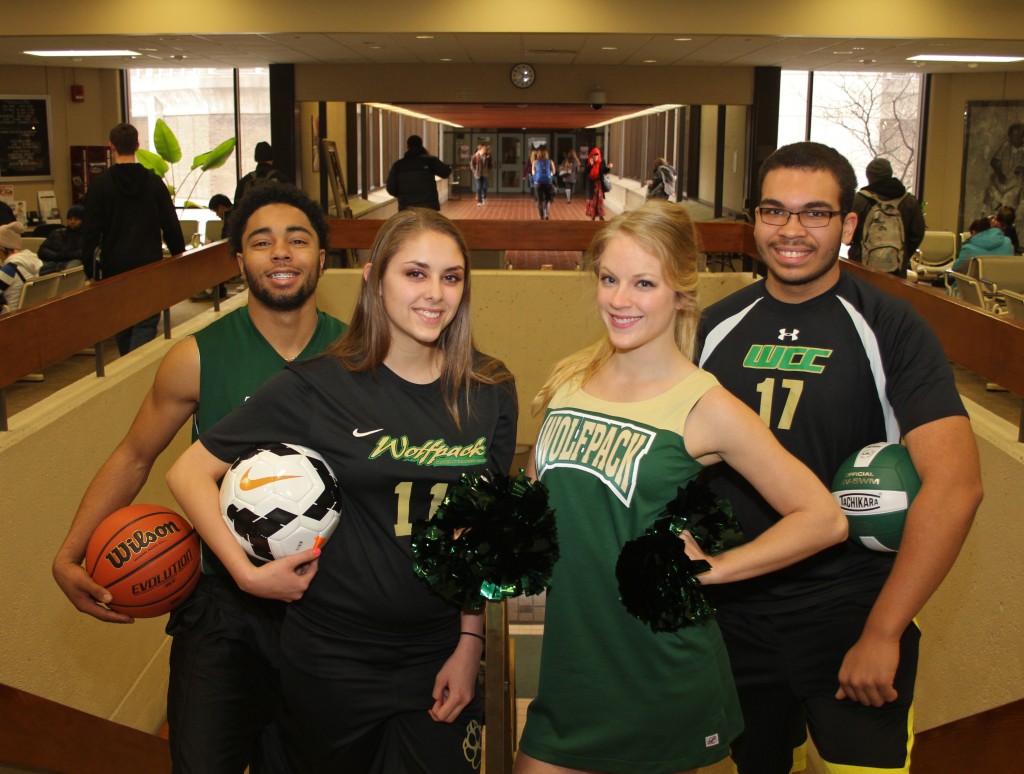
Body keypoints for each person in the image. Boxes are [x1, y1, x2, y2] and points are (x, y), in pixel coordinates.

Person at [167, 208, 519, 773]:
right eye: (415, 274)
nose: (435, 293)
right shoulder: (318, 385)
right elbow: (188, 471)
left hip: (435, 654)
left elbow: (479, 531)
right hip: (332, 657)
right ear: (374, 278)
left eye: (451, 277)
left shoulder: (489, 389)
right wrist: (246, 573)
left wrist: (469, 639)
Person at [514, 201, 848, 774]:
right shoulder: (570, 380)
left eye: (644, 283)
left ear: (681, 294)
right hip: (572, 670)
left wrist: (716, 568)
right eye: (610, 279)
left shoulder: (705, 404)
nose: (620, 300)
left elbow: (824, 517)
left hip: (660, 675)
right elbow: (543, 502)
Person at [697, 141, 982, 774]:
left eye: (815, 213)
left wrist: (884, 632)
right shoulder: (713, 325)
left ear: (848, 224)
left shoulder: (891, 325)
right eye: (775, 211)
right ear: (754, 221)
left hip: (850, 614)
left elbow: (956, 486)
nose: (791, 230)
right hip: (735, 616)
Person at [52, 184, 347, 774]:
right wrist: (71, 552)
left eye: (298, 239)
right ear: (239, 261)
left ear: (321, 255)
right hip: (221, 608)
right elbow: (136, 455)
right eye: (261, 242)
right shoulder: (195, 356)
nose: (281, 253)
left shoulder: (357, 355)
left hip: (328, 605)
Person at [81, 122, 186, 354]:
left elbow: (90, 231)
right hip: (149, 263)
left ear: (111, 147)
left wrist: (89, 269)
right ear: (137, 146)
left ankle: (127, 364)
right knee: (146, 322)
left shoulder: (100, 185)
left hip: (114, 267)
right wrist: (178, 254)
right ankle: (134, 369)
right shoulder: (153, 182)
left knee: (122, 323)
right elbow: (170, 224)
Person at [848, 156, 925, 278]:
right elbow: (917, 233)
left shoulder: (859, 200)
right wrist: (902, 253)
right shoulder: (908, 201)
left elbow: (848, 231)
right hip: (896, 269)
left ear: (869, 177)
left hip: (862, 267)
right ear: (889, 174)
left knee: (861, 296)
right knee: (892, 296)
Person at [385, 135, 452, 211]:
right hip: (428, 208)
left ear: (407, 147)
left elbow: (391, 188)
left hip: (406, 208)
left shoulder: (398, 165)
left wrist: (403, 195)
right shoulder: (430, 161)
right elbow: (446, 172)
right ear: (421, 145)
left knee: (409, 223)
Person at [0, 221, 42, 313]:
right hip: (27, 314)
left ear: (2, 248)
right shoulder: (32, 262)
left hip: (8, 318)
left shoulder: (9, 270)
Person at [985, 122, 1024, 213]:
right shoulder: (1006, 145)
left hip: (1016, 185)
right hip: (1001, 182)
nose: (1013, 138)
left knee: (1009, 206)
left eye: (1016, 136)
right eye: (1012, 135)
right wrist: (1000, 174)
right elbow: (994, 161)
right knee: (992, 201)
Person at [38, 204, 86, 275]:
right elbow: (42, 250)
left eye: (76, 219)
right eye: (70, 219)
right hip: (56, 261)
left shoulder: (87, 235)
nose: (72, 222)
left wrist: (67, 255)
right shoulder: (58, 233)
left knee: (72, 268)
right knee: (38, 270)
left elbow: (85, 253)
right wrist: (56, 256)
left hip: (74, 262)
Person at [585, 146, 612, 222]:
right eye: (594, 156)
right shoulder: (589, 161)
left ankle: (601, 216)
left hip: (599, 184)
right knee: (593, 201)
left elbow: (604, 171)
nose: (596, 157)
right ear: (592, 155)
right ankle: (592, 216)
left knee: (600, 200)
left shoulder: (602, 161)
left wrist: (609, 167)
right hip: (592, 185)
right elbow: (586, 172)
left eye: (597, 155)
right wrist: (590, 164)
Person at [532, 148, 556, 220]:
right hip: (548, 183)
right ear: (546, 154)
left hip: (538, 183)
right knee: (547, 199)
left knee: (539, 200)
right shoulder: (550, 162)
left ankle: (541, 216)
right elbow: (554, 172)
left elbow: (533, 172)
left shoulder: (535, 162)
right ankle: (546, 214)